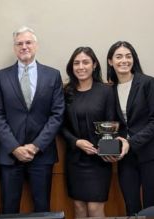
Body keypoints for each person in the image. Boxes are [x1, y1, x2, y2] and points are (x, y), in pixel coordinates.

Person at [0, 26, 65, 213]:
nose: (24, 46)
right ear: (14, 48)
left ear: (36, 46)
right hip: (10, 155)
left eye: (28, 42)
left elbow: (57, 114)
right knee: (8, 209)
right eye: (19, 43)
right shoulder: (1, 77)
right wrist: (14, 147)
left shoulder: (53, 75)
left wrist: (35, 146)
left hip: (41, 154)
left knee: (42, 208)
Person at [62, 47, 129, 218]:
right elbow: (61, 126)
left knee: (94, 208)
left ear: (94, 65)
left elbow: (113, 122)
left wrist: (109, 150)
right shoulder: (66, 92)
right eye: (76, 63)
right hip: (75, 159)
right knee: (78, 207)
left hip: (100, 160)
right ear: (72, 67)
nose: (81, 66)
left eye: (85, 62)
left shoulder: (106, 91)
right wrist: (76, 142)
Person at [107, 41, 154, 216]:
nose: (124, 60)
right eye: (119, 56)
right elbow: (111, 125)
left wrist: (131, 142)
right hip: (125, 158)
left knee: (151, 207)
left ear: (133, 59)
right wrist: (109, 148)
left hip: (149, 155)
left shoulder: (148, 83)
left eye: (128, 56)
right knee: (131, 205)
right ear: (110, 61)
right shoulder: (110, 90)